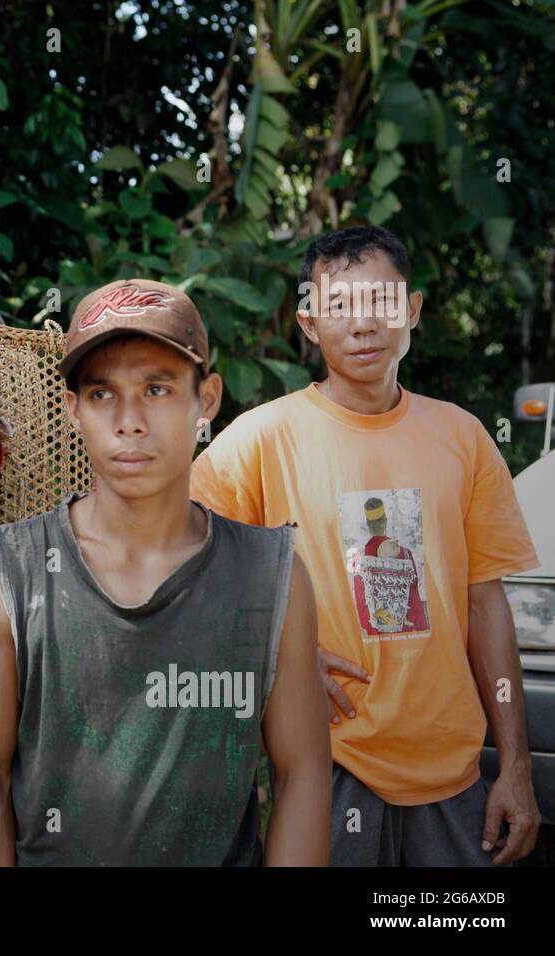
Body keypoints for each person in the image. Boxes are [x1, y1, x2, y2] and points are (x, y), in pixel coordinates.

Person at [191, 225, 541, 865]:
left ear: (411, 311)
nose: (363, 324)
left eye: (382, 302)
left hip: (453, 768)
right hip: (325, 761)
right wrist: (281, 655)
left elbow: (487, 607)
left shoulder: (462, 439)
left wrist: (513, 766)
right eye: (340, 305)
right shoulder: (258, 442)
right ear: (308, 321)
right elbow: (187, 569)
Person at [0, 279, 331, 865]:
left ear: (205, 400)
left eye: (156, 389)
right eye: (103, 394)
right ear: (74, 410)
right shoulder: (5, 572)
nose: (129, 421)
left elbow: (303, 772)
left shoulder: (271, 575)